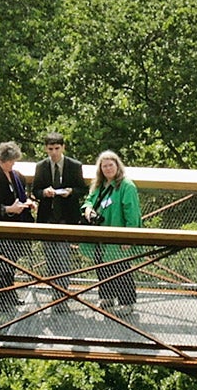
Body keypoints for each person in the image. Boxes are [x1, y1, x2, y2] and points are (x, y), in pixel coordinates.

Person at [0, 140, 35, 317]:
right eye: (10, 161)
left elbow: (22, 196)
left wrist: (28, 204)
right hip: (2, 228)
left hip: (19, 226)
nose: (12, 164)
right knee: (1, 265)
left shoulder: (17, 176)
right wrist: (9, 209)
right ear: (1, 160)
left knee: (12, 264)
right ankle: (0, 299)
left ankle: (10, 294)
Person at [85, 150, 142, 308]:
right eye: (104, 166)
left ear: (118, 166)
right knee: (101, 265)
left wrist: (129, 236)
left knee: (120, 268)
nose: (108, 169)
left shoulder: (126, 186)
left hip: (118, 234)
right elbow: (89, 200)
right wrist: (88, 209)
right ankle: (106, 297)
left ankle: (127, 302)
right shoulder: (99, 184)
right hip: (99, 234)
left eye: (111, 165)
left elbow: (132, 213)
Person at [32, 131, 86, 288]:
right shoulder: (41, 166)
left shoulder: (74, 166)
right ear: (45, 149)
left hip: (66, 218)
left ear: (63, 147)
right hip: (47, 219)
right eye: (50, 149)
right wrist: (44, 193)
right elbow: (35, 191)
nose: (54, 152)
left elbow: (82, 189)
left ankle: (62, 291)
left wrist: (71, 192)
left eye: (57, 148)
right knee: (50, 258)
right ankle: (55, 290)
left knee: (63, 258)